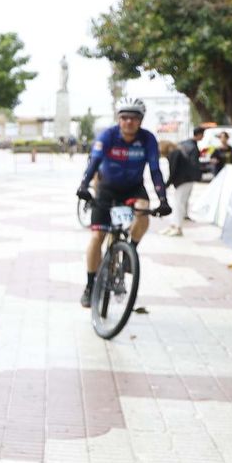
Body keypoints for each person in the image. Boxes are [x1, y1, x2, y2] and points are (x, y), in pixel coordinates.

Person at [76, 97, 170, 306]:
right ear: (118, 119)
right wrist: (83, 186)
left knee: (144, 210)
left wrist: (162, 199)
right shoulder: (108, 136)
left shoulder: (147, 139)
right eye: (124, 117)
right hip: (107, 188)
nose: (129, 122)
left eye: (134, 118)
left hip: (133, 187)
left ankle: (130, 250)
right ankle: (90, 285)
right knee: (97, 236)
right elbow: (95, 162)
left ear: (141, 120)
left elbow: (155, 170)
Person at [163, 126, 203, 235]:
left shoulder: (174, 153)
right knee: (178, 203)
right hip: (185, 180)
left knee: (179, 204)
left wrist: (166, 184)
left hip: (184, 180)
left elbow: (173, 171)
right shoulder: (178, 151)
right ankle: (173, 225)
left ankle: (178, 227)